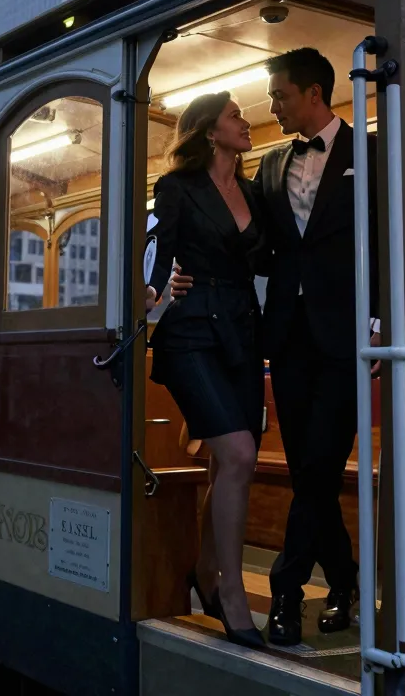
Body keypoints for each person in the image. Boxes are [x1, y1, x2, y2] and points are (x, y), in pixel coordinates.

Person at [172, 48, 379, 646]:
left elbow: (390, 235)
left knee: (318, 465)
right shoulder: (267, 165)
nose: (272, 107)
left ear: (313, 94)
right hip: (284, 336)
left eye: (280, 96)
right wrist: (176, 275)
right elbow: (242, 241)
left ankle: (285, 592)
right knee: (310, 468)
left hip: (345, 336)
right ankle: (343, 582)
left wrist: (379, 320)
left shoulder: (368, 152)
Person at [145, 91, 266, 650]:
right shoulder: (177, 187)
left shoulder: (252, 190)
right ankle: (232, 592)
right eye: (235, 115)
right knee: (238, 454)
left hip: (242, 332)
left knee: (229, 461)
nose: (245, 122)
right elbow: (157, 251)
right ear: (209, 131)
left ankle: (203, 571)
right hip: (192, 331)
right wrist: (152, 291)